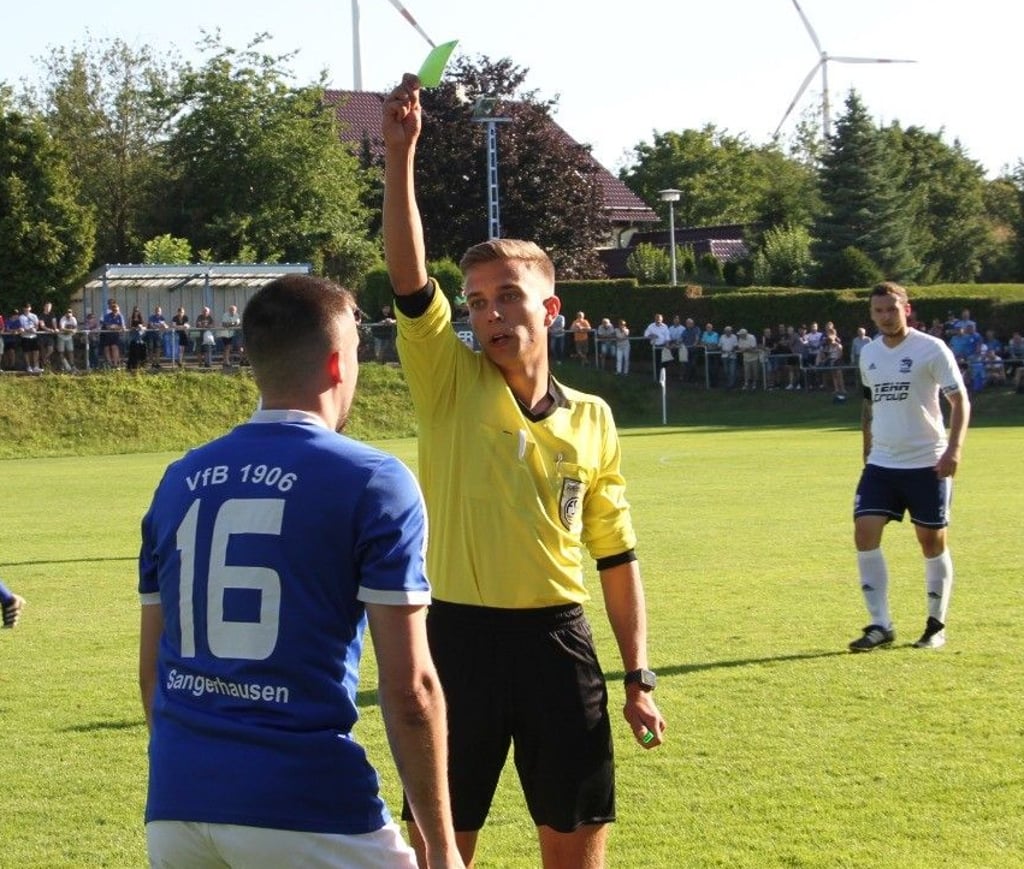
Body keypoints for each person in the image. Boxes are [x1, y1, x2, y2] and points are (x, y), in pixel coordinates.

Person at [383, 73, 665, 869]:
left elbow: (616, 557)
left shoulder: (594, 418)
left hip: (556, 642)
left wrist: (638, 673)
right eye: (476, 301)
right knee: (442, 850)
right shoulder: (447, 380)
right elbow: (408, 278)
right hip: (456, 638)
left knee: (576, 848)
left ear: (550, 307)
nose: (490, 313)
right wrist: (400, 156)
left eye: (509, 296)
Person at [137, 274, 462, 869]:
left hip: (178, 807)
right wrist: (442, 848)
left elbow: (151, 674)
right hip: (308, 806)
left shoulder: (178, 479)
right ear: (339, 364)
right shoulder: (374, 479)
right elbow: (410, 688)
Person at [849, 282, 971, 653]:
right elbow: (869, 406)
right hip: (882, 464)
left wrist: (953, 450)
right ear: (871, 314)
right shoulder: (868, 353)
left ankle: (936, 625)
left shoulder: (930, 349)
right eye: (878, 311)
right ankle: (880, 625)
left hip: (926, 463)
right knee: (864, 533)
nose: (886, 317)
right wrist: (867, 449)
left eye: (891, 309)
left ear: (906, 308)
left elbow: (959, 400)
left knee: (931, 541)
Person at [57, 308, 78, 372]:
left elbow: (76, 327)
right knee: (61, 352)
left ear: (72, 313)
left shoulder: (73, 319)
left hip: (69, 337)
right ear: (65, 313)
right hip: (61, 337)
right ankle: (63, 365)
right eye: (68, 312)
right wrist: (71, 330)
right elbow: (62, 328)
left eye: (70, 312)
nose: (69, 313)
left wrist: (75, 330)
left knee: (70, 351)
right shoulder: (62, 319)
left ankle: (72, 365)